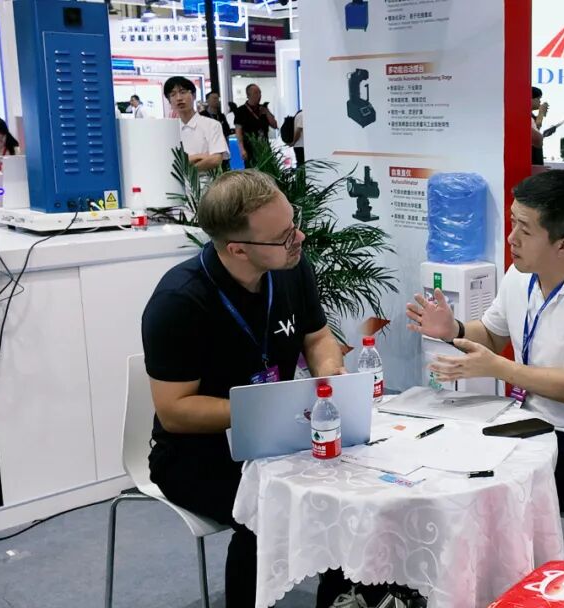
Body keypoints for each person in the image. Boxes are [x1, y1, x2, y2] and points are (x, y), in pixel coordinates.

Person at [142, 169, 346, 607]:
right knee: (267, 513)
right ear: (237, 248)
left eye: (293, 223)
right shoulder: (179, 301)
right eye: (283, 236)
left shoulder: (290, 268)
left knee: (348, 497)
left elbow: (316, 337)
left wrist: (329, 376)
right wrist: (267, 409)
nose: (299, 238)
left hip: (280, 439)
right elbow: (174, 411)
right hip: (198, 454)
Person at [406, 170, 564, 512]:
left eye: (525, 230)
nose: (511, 239)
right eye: (513, 223)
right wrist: (453, 329)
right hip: (525, 423)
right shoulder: (520, 275)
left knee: (478, 490)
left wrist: (499, 368)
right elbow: (491, 335)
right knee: (443, 456)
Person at [164, 76, 230, 172]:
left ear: (194, 95)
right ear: (169, 101)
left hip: (206, 180)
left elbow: (215, 159)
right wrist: (200, 156)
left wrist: (185, 171)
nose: (179, 98)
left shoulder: (212, 125)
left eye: (183, 92)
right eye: (173, 94)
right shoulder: (169, 130)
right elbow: (167, 161)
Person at [234, 84, 279, 166]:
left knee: (267, 169)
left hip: (264, 147)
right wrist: (242, 149)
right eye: (256, 93)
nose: (259, 95)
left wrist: (267, 112)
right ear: (248, 95)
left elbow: (275, 125)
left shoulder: (263, 109)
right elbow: (238, 131)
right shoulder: (241, 111)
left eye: (260, 93)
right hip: (250, 148)